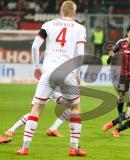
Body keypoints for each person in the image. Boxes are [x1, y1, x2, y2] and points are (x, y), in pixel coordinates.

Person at [16, 1, 87, 156]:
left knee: (36, 109)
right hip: (67, 72)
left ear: (60, 11)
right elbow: (80, 55)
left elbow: (35, 46)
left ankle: (25, 147)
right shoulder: (80, 28)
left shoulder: (48, 24)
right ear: (74, 13)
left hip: (48, 72)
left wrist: (36, 67)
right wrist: (78, 76)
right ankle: (73, 148)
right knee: (75, 108)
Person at [5, 90, 71, 138]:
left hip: (55, 90)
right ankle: (11, 129)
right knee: (35, 111)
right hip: (45, 88)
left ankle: (53, 129)